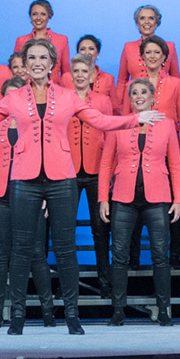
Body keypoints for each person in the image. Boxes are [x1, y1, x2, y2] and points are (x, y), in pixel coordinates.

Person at [0, 39, 163, 335]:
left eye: (43, 58)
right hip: (24, 179)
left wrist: (134, 119)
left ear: (52, 63)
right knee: (22, 250)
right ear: (25, 65)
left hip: (62, 178)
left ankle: (72, 317)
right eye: (32, 58)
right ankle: (17, 318)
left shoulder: (66, 96)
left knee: (65, 250)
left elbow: (100, 121)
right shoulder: (14, 98)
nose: (37, 62)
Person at [0, 77, 58, 329]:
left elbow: (48, 162)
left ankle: (48, 311)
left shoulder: (37, 125)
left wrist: (46, 195)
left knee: (36, 255)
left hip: (31, 195)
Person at [100, 78, 180, 326]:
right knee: (119, 255)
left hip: (157, 197)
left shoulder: (167, 125)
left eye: (143, 92)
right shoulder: (119, 125)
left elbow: (176, 164)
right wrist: (103, 198)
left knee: (160, 254)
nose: (139, 96)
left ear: (152, 97)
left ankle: (164, 310)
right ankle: (118, 310)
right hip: (123, 198)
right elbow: (106, 164)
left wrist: (178, 199)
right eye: (134, 92)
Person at [67, 54, 116, 297]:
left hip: (98, 170)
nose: (79, 75)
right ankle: (68, 285)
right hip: (69, 170)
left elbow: (110, 136)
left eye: (84, 71)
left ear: (92, 75)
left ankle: (105, 282)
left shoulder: (104, 100)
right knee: (66, 230)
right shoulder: (63, 98)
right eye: (75, 71)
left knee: (101, 229)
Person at [118, 5, 180, 83]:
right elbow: (122, 81)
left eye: (151, 18)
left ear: (156, 22)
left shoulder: (169, 47)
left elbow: (176, 78)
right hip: (134, 94)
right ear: (137, 23)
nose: (146, 22)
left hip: (163, 94)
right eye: (142, 18)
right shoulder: (128, 47)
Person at [12, 0, 72, 79]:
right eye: (34, 14)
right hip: (27, 88)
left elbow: (66, 73)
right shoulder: (21, 41)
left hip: (55, 89)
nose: (38, 18)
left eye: (43, 14)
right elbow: (15, 69)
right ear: (30, 17)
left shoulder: (62, 40)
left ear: (49, 16)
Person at [63, 34, 118, 99]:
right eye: (83, 49)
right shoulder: (66, 78)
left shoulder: (108, 79)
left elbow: (114, 108)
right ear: (77, 53)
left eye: (91, 49)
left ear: (97, 53)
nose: (87, 52)